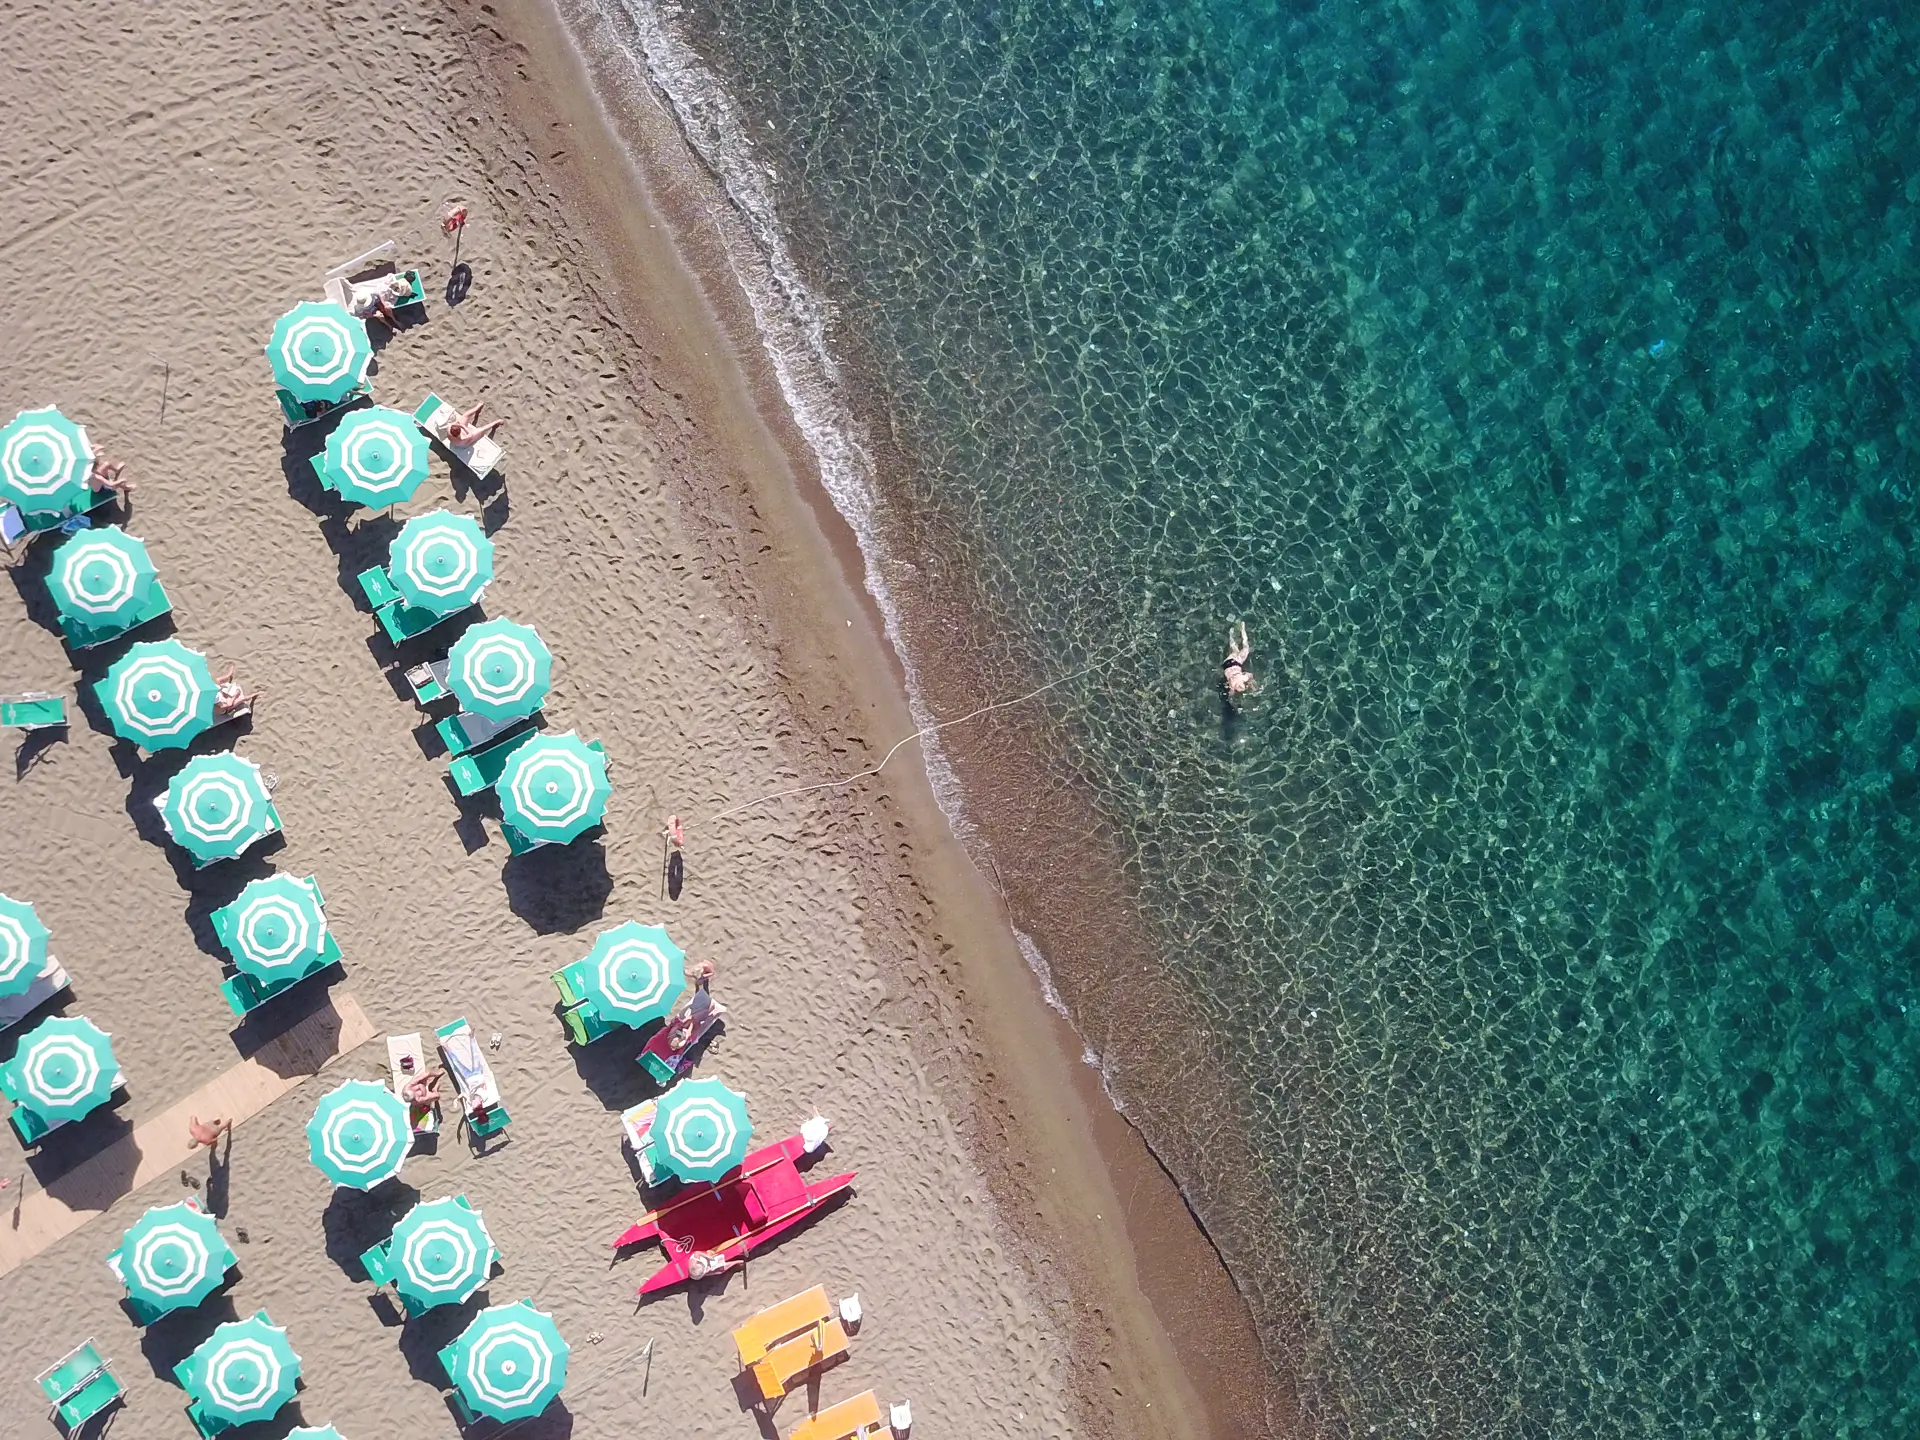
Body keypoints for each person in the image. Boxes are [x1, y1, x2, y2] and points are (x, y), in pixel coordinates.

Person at [666, 961, 717, 1053]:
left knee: (692, 1016)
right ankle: (708, 1008)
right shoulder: (677, 1040)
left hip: (685, 1026)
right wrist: (690, 1024)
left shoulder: (672, 1035)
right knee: (698, 1018)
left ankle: (705, 1003)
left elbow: (678, 1025)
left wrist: (685, 1023)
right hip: (689, 1028)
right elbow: (688, 1033)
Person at [1221, 620, 1257, 698]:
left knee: (1245, 647)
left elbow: (1251, 675)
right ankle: (1231, 633)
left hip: (1235, 662)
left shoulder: (1243, 678)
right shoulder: (1232, 686)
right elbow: (1230, 694)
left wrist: (1251, 683)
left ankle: (1242, 629)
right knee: (1234, 649)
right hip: (1226, 664)